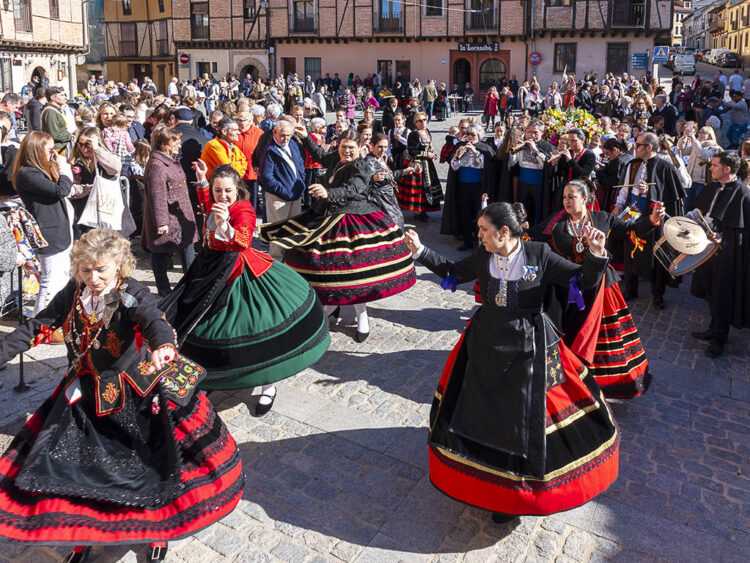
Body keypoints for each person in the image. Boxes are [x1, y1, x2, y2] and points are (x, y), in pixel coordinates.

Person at [0, 229, 244, 562]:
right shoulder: (75, 292)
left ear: (119, 265)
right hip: (84, 390)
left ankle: (158, 533)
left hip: (134, 394)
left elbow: (153, 319)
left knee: (150, 470)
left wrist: (164, 346)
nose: (94, 277)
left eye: (101, 269)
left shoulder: (131, 291)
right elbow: (38, 326)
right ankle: (84, 536)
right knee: (83, 471)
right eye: (86, 270)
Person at [402, 203, 618, 521]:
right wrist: (420, 251)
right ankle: (488, 483)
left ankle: (517, 493)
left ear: (504, 232)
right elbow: (452, 272)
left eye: (484, 231)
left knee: (521, 417)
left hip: (529, 345)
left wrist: (596, 255)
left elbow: (581, 280)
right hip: (485, 342)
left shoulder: (539, 254)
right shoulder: (484, 256)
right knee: (482, 411)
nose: (479, 236)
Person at [161, 164, 329, 415]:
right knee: (200, 321)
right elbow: (208, 204)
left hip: (238, 270)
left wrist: (225, 224)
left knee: (254, 326)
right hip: (208, 266)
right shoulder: (216, 200)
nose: (222, 195)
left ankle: (267, 385)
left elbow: (242, 240)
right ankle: (210, 374)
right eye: (218, 190)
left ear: (237, 188)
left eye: (227, 190)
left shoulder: (244, 209)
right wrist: (202, 183)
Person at [263, 127, 417, 343]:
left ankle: (361, 316)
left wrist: (328, 193)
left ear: (360, 148)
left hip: (354, 220)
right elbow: (321, 156)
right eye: (343, 146)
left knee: (353, 272)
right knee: (325, 266)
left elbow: (353, 189)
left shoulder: (363, 165)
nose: (346, 151)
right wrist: (306, 137)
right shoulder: (336, 158)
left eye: (351, 148)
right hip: (329, 216)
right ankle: (331, 304)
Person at [533, 180, 664, 398]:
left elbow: (630, 229)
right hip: (565, 288)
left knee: (597, 336)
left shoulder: (604, 218)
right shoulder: (555, 222)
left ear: (585, 199)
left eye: (571, 196)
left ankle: (597, 383)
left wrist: (652, 220)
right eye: (564, 196)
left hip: (598, 289)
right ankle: (566, 376)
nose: (566, 201)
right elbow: (533, 238)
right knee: (566, 331)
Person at [613, 132, 685, 309]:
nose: (634, 147)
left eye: (637, 145)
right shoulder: (633, 164)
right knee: (630, 248)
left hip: (653, 215)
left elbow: (670, 196)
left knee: (654, 254)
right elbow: (624, 187)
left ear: (649, 147)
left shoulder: (664, 166)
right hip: (633, 211)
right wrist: (618, 205)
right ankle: (631, 288)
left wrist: (649, 192)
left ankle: (657, 293)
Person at [689, 152, 750, 358]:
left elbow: (743, 230)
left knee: (722, 293)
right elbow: (702, 210)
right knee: (709, 289)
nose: (710, 168)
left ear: (727, 169)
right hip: (704, 248)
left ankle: (719, 338)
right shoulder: (713, 186)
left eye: (714, 165)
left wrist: (723, 238)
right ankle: (713, 327)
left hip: (726, 253)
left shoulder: (742, 193)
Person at [12, 131, 74, 316]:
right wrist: (64, 167)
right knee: (49, 280)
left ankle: (54, 320)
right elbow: (61, 190)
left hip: (60, 230)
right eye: (50, 150)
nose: (53, 153)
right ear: (37, 151)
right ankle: (41, 324)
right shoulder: (27, 173)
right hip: (49, 234)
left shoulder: (37, 171)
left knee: (60, 277)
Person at [142, 127, 198, 297]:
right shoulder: (157, 165)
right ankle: (164, 289)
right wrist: (162, 222)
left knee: (187, 247)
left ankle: (191, 284)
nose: (179, 145)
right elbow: (157, 195)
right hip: (168, 217)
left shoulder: (169, 159)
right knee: (160, 251)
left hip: (180, 213)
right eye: (176, 142)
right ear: (165, 143)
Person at [258, 120, 306, 259]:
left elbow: (300, 164)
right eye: (283, 135)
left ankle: (291, 258)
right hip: (278, 198)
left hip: (295, 195)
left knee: (293, 230)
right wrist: (284, 192)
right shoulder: (269, 150)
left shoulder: (292, 144)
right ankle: (277, 261)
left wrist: (300, 184)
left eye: (289, 135)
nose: (285, 139)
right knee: (278, 232)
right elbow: (266, 177)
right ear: (274, 132)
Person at [69, 127, 124, 240]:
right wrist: (86, 189)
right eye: (80, 144)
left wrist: (97, 148)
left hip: (105, 211)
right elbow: (68, 187)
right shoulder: (74, 161)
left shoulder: (106, 158)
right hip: (82, 212)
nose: (84, 149)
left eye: (87, 145)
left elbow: (115, 168)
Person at [396, 112, 442, 221]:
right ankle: (418, 211)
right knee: (419, 188)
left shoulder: (426, 131)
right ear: (415, 123)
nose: (423, 122)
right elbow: (412, 151)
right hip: (417, 164)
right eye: (420, 121)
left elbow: (428, 146)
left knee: (427, 187)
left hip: (427, 164)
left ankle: (424, 210)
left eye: (424, 120)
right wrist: (427, 154)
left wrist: (431, 152)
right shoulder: (414, 134)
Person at [41, 87, 73, 156]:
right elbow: (54, 134)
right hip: (57, 149)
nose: (65, 98)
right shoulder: (50, 112)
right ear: (53, 98)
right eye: (62, 95)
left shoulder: (55, 110)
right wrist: (70, 137)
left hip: (61, 147)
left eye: (65, 95)